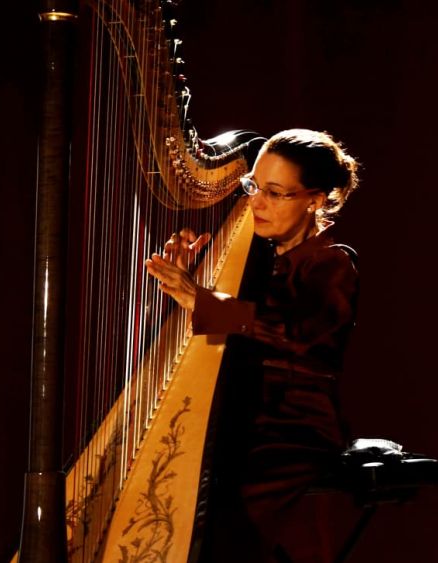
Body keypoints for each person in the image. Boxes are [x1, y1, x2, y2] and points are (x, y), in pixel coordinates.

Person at [144, 129, 360, 563]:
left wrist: (201, 298)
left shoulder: (331, 262)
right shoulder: (255, 258)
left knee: (210, 489)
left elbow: (294, 335)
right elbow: (211, 337)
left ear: (315, 200)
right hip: (239, 412)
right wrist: (182, 284)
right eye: (253, 187)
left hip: (290, 427)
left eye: (275, 193)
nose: (256, 203)